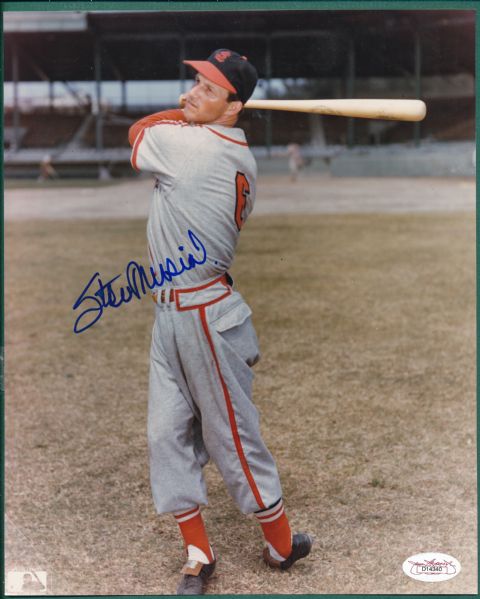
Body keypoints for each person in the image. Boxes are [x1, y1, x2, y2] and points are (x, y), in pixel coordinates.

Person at [128, 49, 313, 596]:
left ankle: (280, 546)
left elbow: (138, 132)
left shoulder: (192, 148)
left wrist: (185, 115)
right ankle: (198, 554)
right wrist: (202, 109)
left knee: (230, 436)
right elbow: (180, 123)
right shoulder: (233, 150)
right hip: (173, 311)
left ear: (234, 106)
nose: (189, 94)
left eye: (207, 89)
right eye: (193, 82)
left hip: (204, 315)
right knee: (166, 434)